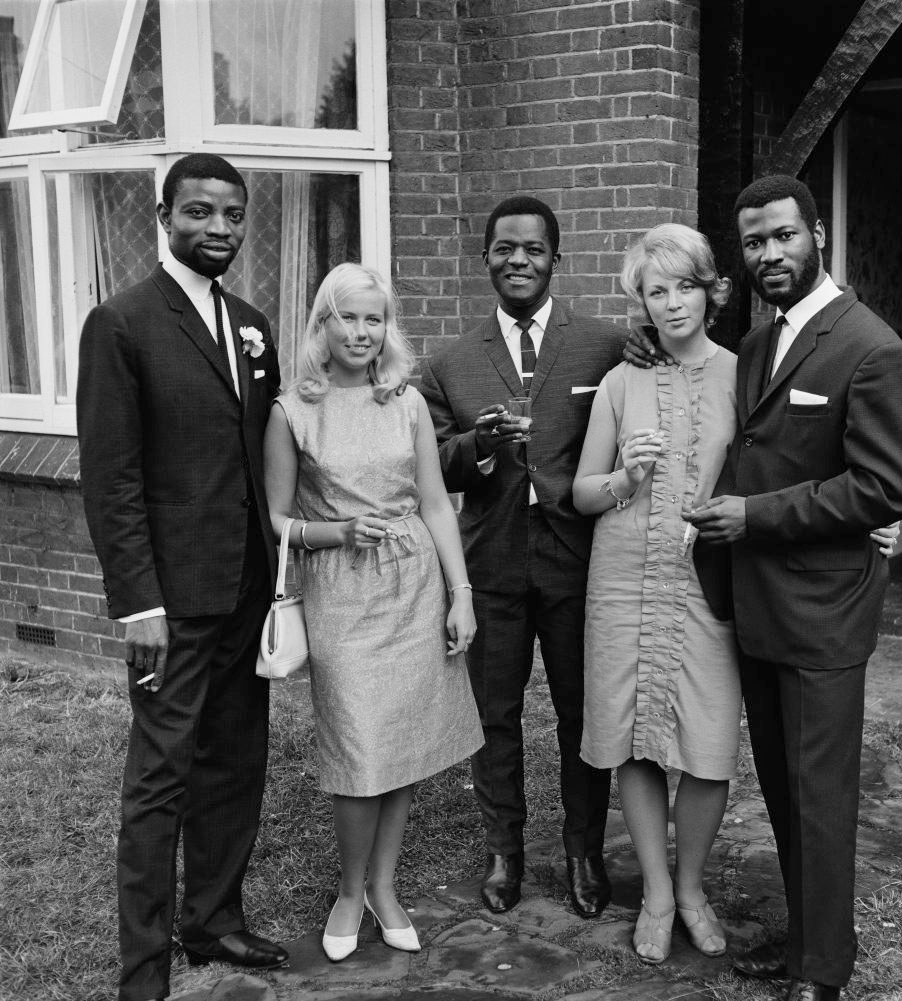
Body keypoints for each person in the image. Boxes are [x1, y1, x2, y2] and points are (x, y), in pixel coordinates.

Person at [683, 175, 902, 1001]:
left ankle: (822, 972)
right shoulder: (756, 342)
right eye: (752, 242)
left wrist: (754, 514)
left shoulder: (871, 346)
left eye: (782, 236)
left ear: (816, 233)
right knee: (785, 788)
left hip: (824, 609)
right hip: (756, 603)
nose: (767, 254)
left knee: (820, 796)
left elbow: (888, 487)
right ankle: (803, 940)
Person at [77, 153, 288, 1001]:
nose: (219, 230)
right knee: (160, 777)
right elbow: (111, 477)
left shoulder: (251, 322)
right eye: (199, 212)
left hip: (245, 589)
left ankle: (213, 919)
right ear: (162, 215)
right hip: (172, 601)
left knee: (237, 760)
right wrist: (139, 603)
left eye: (233, 216)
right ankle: (144, 974)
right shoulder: (121, 322)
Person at [263, 263, 484, 962]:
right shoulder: (291, 408)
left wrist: (461, 592)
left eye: (373, 318)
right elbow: (274, 519)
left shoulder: (406, 400)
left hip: (414, 583)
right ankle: (349, 890)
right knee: (359, 744)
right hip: (343, 588)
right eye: (348, 317)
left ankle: (385, 886)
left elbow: (431, 502)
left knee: (404, 740)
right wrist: (334, 533)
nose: (361, 331)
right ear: (321, 325)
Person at [419, 196, 626, 919]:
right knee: (494, 713)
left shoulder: (603, 345)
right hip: (494, 563)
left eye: (532, 249)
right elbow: (433, 464)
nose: (517, 260)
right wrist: (477, 445)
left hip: (578, 561)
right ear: (484, 258)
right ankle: (504, 848)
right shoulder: (448, 361)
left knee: (582, 713)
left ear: (554, 259)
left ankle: (582, 849)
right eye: (504, 248)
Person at [573, 223, 741, 964]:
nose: (670, 303)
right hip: (622, 576)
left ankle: (694, 884)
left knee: (707, 747)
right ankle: (656, 892)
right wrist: (624, 478)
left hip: (708, 583)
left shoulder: (746, 373)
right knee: (634, 739)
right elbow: (580, 492)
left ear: (711, 290)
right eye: (654, 290)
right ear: (638, 300)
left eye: (683, 285)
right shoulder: (619, 381)